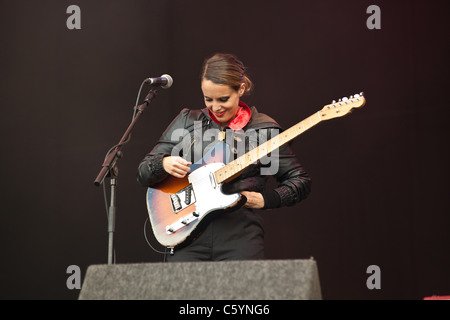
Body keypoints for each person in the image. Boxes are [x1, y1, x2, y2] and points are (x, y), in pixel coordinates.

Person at [137, 53, 311, 261]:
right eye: (208, 99)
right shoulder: (187, 122)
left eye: (223, 99)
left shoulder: (263, 130)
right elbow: (143, 172)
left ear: (241, 89)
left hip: (240, 235)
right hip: (186, 237)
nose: (215, 107)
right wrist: (163, 163)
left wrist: (267, 199)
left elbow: (300, 181)